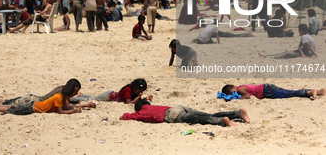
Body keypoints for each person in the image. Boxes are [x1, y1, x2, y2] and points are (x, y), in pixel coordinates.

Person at [0, 81, 96, 115]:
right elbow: (65, 108)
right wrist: (81, 106)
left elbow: (68, 106)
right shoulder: (60, 95)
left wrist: (85, 105)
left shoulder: (63, 92)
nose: (76, 93)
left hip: (34, 100)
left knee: (8, 103)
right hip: (32, 100)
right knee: (7, 104)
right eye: (76, 91)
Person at [120, 99, 250, 127]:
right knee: (206, 114)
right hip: (178, 107)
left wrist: (123, 116)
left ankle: (223, 121)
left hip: (172, 115)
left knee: (200, 119)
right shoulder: (153, 106)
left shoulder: (140, 112)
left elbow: (128, 116)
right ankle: (238, 113)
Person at [0, 79, 81, 107]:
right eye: (75, 91)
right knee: (4, 104)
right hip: (30, 101)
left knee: (6, 101)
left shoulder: (61, 88)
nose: (76, 93)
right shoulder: (62, 93)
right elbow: (67, 106)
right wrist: (84, 105)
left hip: (32, 98)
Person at [71, 78, 153, 104]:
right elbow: (129, 103)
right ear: (135, 88)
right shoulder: (128, 90)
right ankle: (72, 98)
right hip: (108, 97)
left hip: (110, 94)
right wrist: (139, 96)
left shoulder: (131, 89)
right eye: (139, 91)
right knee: (92, 100)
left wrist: (145, 99)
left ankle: (81, 95)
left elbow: (134, 100)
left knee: (95, 98)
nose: (140, 93)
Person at [221, 84, 326, 100]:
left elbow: (247, 96)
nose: (232, 94)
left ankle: (310, 93)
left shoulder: (239, 89)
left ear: (232, 88)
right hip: (267, 89)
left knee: (289, 94)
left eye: (230, 92)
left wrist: (237, 97)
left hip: (266, 91)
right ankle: (320, 92)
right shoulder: (240, 88)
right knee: (289, 92)